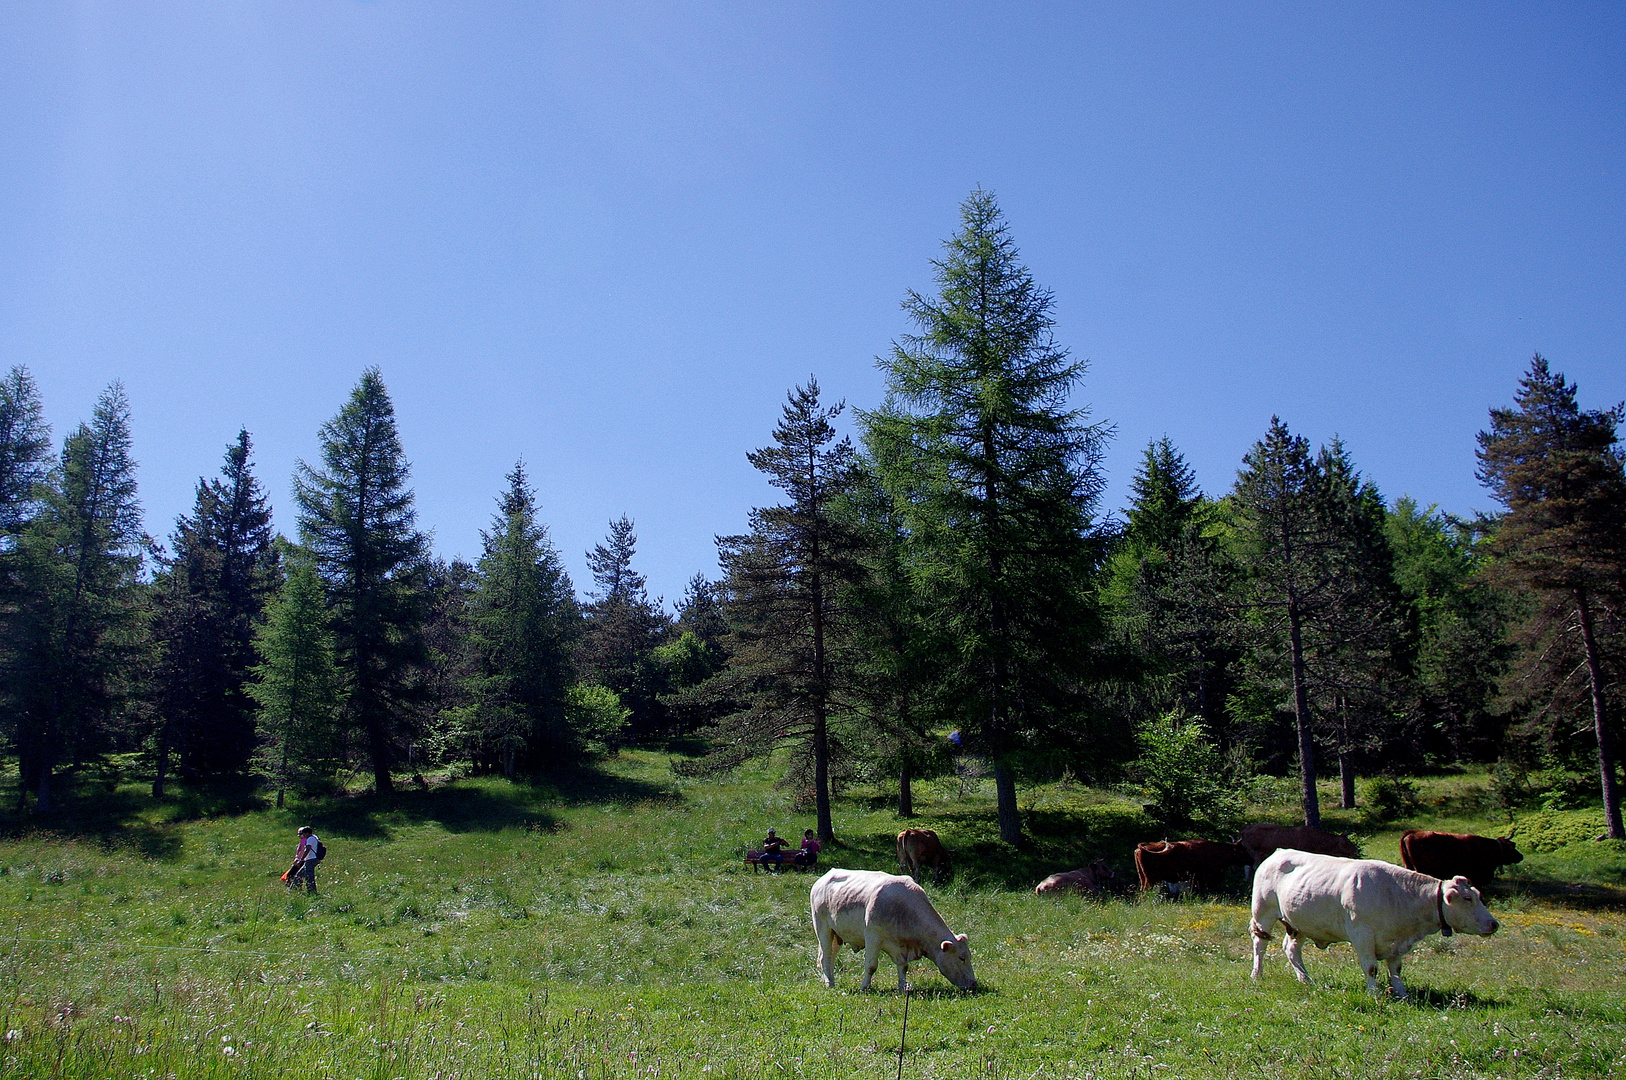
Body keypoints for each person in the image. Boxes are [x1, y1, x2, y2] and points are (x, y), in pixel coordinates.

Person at [287, 826, 321, 894]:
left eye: (304, 834)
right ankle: (294, 889)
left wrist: (302, 859)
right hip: (309, 860)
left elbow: (307, 849)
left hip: (311, 860)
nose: (303, 836)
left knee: (309, 877)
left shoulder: (310, 839)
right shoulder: (314, 838)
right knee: (299, 875)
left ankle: (312, 892)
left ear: (307, 833)